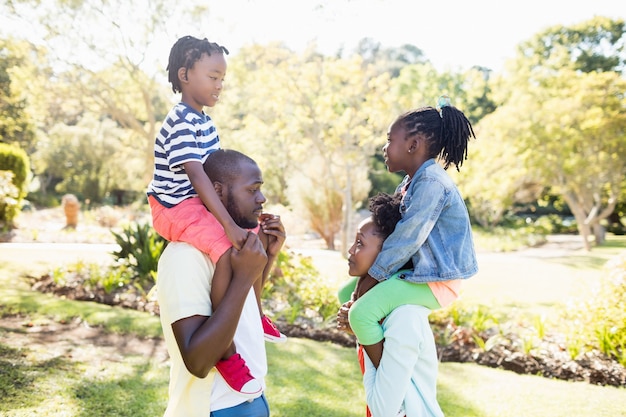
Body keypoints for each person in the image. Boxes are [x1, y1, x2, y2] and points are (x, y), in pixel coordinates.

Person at [147, 36, 284, 397]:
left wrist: (249, 229)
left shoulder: (204, 122)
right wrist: (227, 225)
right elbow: (199, 178)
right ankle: (226, 354)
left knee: (251, 236)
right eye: (213, 77)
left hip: (195, 202)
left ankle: (255, 311)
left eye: (222, 78)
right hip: (174, 207)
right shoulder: (179, 121)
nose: (219, 85)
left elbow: (217, 176)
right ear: (185, 75)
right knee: (227, 249)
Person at [347, 96, 479, 368]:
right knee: (346, 296)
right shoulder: (410, 184)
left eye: (389, 140)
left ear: (413, 145)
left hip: (435, 281)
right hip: (417, 274)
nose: (384, 148)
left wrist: (369, 283)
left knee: (360, 313)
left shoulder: (431, 183)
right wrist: (362, 285)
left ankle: (390, 379)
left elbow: (406, 239)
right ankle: (375, 346)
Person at [157, 149, 285, 417]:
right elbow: (198, 360)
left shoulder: (231, 248)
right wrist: (242, 277)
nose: (262, 198)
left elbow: (245, 310)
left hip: (254, 399)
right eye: (252, 190)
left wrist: (268, 256)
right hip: (215, 408)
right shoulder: (185, 257)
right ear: (217, 191)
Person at [337, 193, 444, 417]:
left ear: (389, 256)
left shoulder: (404, 317)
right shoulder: (377, 313)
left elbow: (383, 409)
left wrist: (363, 335)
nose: (350, 251)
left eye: (360, 243)